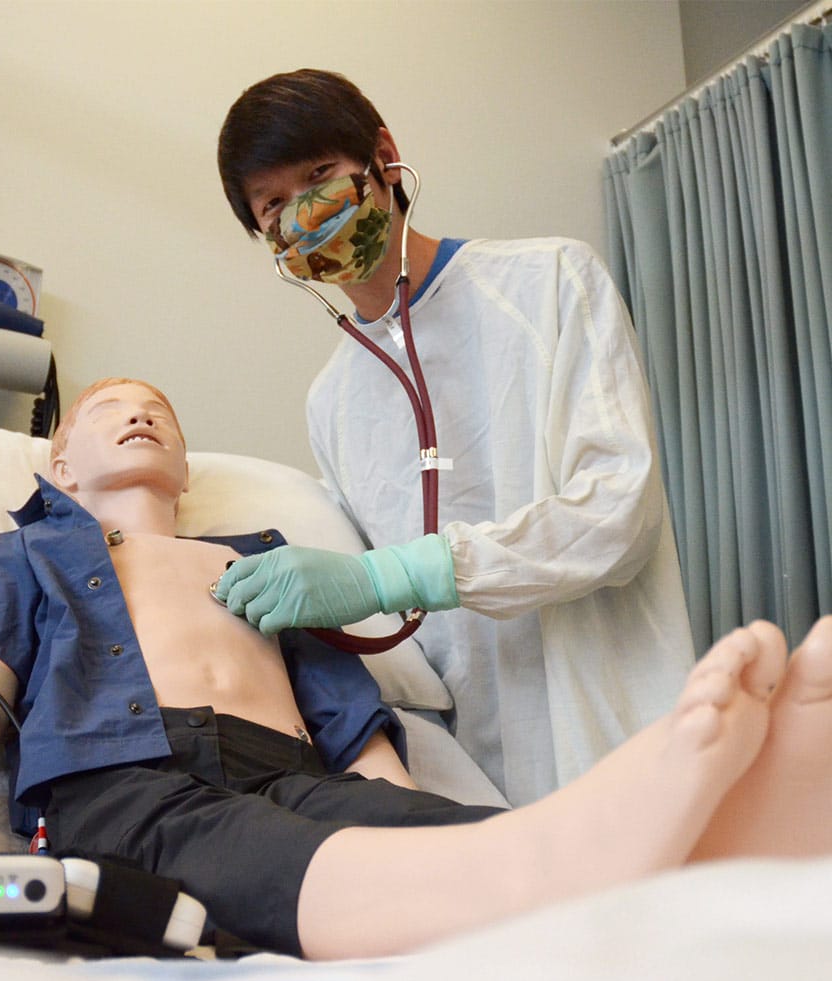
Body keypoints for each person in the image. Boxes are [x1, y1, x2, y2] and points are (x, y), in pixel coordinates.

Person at [0, 377, 832, 961]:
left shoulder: (261, 559)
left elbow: (343, 711)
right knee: (259, 857)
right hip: (126, 783)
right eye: (110, 408)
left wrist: (394, 799)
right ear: (59, 460)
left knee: (432, 834)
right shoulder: (26, 552)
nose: (140, 412)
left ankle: (737, 834)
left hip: (294, 771)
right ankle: (576, 855)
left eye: (160, 410)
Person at [215, 69, 696, 806]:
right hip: (472, 778)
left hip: (612, 720)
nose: (306, 215)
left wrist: (397, 576)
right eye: (274, 204)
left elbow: (617, 516)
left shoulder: (552, 281)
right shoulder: (332, 401)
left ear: (382, 155)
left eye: (320, 176)